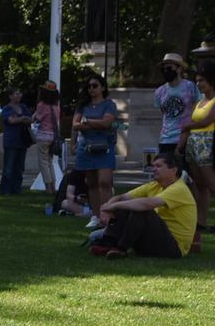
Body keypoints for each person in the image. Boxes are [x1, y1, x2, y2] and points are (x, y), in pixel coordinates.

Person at [91, 153, 195, 259]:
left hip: (173, 249)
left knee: (142, 209)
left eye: (158, 166)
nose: (154, 169)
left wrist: (113, 206)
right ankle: (108, 243)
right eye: (153, 166)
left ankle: (120, 248)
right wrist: (107, 209)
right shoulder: (154, 185)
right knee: (127, 206)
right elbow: (121, 197)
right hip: (154, 241)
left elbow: (147, 204)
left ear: (174, 170)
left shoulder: (179, 188)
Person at [178, 59, 215, 250]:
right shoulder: (200, 101)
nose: (199, 84)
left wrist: (188, 125)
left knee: (210, 182)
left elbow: (207, 120)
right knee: (199, 184)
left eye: (202, 80)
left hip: (206, 143)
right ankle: (200, 221)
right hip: (193, 143)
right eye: (197, 80)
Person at [73, 73, 118, 228]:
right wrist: (94, 124)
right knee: (91, 183)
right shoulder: (82, 105)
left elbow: (107, 123)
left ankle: (108, 215)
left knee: (105, 181)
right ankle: (96, 215)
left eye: (95, 86)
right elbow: (75, 125)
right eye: (89, 86)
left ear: (103, 88)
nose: (91, 89)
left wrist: (87, 122)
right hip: (86, 147)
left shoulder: (109, 104)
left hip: (104, 147)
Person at [154, 53, 199, 158]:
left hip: (186, 138)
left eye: (169, 67)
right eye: (163, 69)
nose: (166, 71)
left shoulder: (190, 87)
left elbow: (197, 109)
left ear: (179, 69)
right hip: (165, 139)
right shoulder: (159, 92)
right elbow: (164, 112)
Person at [0, 87, 33, 195]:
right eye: (16, 93)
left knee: (19, 168)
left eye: (19, 93)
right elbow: (10, 120)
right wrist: (22, 119)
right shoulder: (6, 109)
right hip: (11, 142)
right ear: (10, 96)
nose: (19, 95)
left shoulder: (23, 107)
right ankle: (5, 190)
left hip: (22, 141)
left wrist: (19, 118)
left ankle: (16, 189)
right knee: (8, 168)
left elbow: (30, 119)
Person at [31, 80, 62, 193]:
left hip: (43, 136)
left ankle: (48, 187)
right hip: (53, 136)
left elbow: (37, 118)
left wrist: (33, 114)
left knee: (43, 163)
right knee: (49, 162)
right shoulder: (56, 106)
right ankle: (53, 187)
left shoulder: (42, 105)